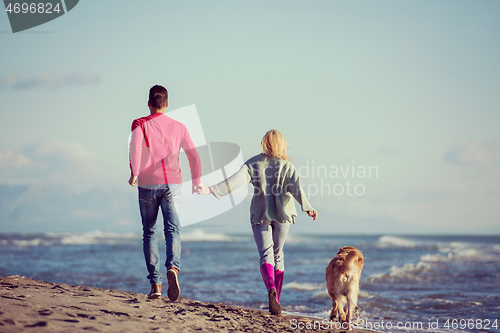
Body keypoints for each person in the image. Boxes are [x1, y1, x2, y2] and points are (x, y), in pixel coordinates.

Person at [197, 129, 317, 315]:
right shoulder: (287, 166)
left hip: (260, 214)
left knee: (266, 255)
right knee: (278, 255)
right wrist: (307, 207)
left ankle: (270, 287)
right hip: (283, 215)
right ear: (282, 145)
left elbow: (234, 181)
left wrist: (212, 190)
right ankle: (276, 299)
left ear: (264, 143)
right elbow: (297, 188)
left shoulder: (253, 163)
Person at [129, 85, 201, 301]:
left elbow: (135, 148)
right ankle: (173, 268)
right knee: (172, 229)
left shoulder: (139, 123)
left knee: (150, 232)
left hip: (147, 183)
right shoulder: (180, 127)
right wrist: (196, 181)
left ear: (149, 104)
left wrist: (134, 172)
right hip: (172, 184)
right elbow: (194, 157)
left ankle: (156, 286)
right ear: (167, 104)